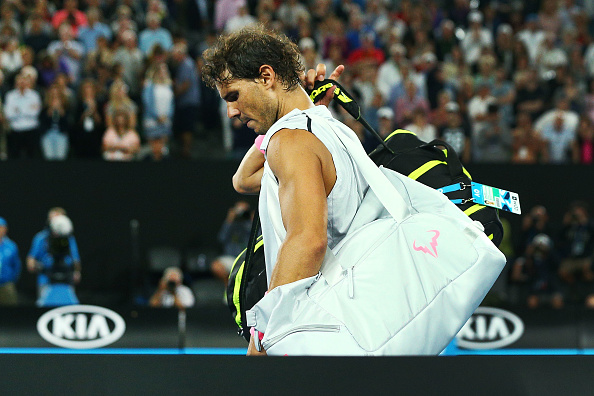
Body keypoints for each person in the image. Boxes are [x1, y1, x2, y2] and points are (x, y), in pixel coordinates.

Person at [202, 26, 364, 356]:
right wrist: (295, 109)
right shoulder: (329, 128)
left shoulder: (291, 140)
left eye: (233, 95)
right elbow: (243, 179)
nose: (231, 111)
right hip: (350, 324)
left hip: (318, 334)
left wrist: (262, 335)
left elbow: (307, 240)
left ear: (266, 76)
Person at [27, 208, 81, 306]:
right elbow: (31, 260)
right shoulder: (41, 237)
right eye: (51, 218)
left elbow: (75, 258)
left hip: (66, 279)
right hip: (46, 279)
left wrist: (76, 272)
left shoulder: (69, 239)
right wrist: (37, 266)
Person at [210, 200, 253, 286]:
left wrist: (254, 220)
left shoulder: (250, 225)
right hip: (231, 258)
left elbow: (258, 239)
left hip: (247, 260)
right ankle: (229, 287)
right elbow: (221, 238)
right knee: (216, 266)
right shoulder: (231, 225)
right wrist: (229, 219)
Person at [4, 73, 42, 158]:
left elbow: (35, 113)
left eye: (24, 80)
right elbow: (9, 114)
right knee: (14, 156)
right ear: (16, 82)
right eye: (20, 80)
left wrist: (18, 110)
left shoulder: (34, 95)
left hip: (31, 129)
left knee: (31, 156)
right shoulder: (10, 96)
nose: (22, 82)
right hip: (15, 130)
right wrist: (27, 109)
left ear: (28, 82)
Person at [141, 62, 174, 161]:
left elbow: (171, 104)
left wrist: (167, 115)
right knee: (154, 149)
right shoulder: (150, 86)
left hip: (165, 120)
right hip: (152, 121)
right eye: (161, 71)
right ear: (156, 72)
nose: (163, 73)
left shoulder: (168, 86)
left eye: (165, 70)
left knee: (163, 149)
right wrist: (157, 116)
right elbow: (147, 103)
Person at [0, 217, 21, 306]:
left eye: (1, 227)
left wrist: (11, 280)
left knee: (10, 307)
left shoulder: (11, 246)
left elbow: (16, 265)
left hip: (6, 283)